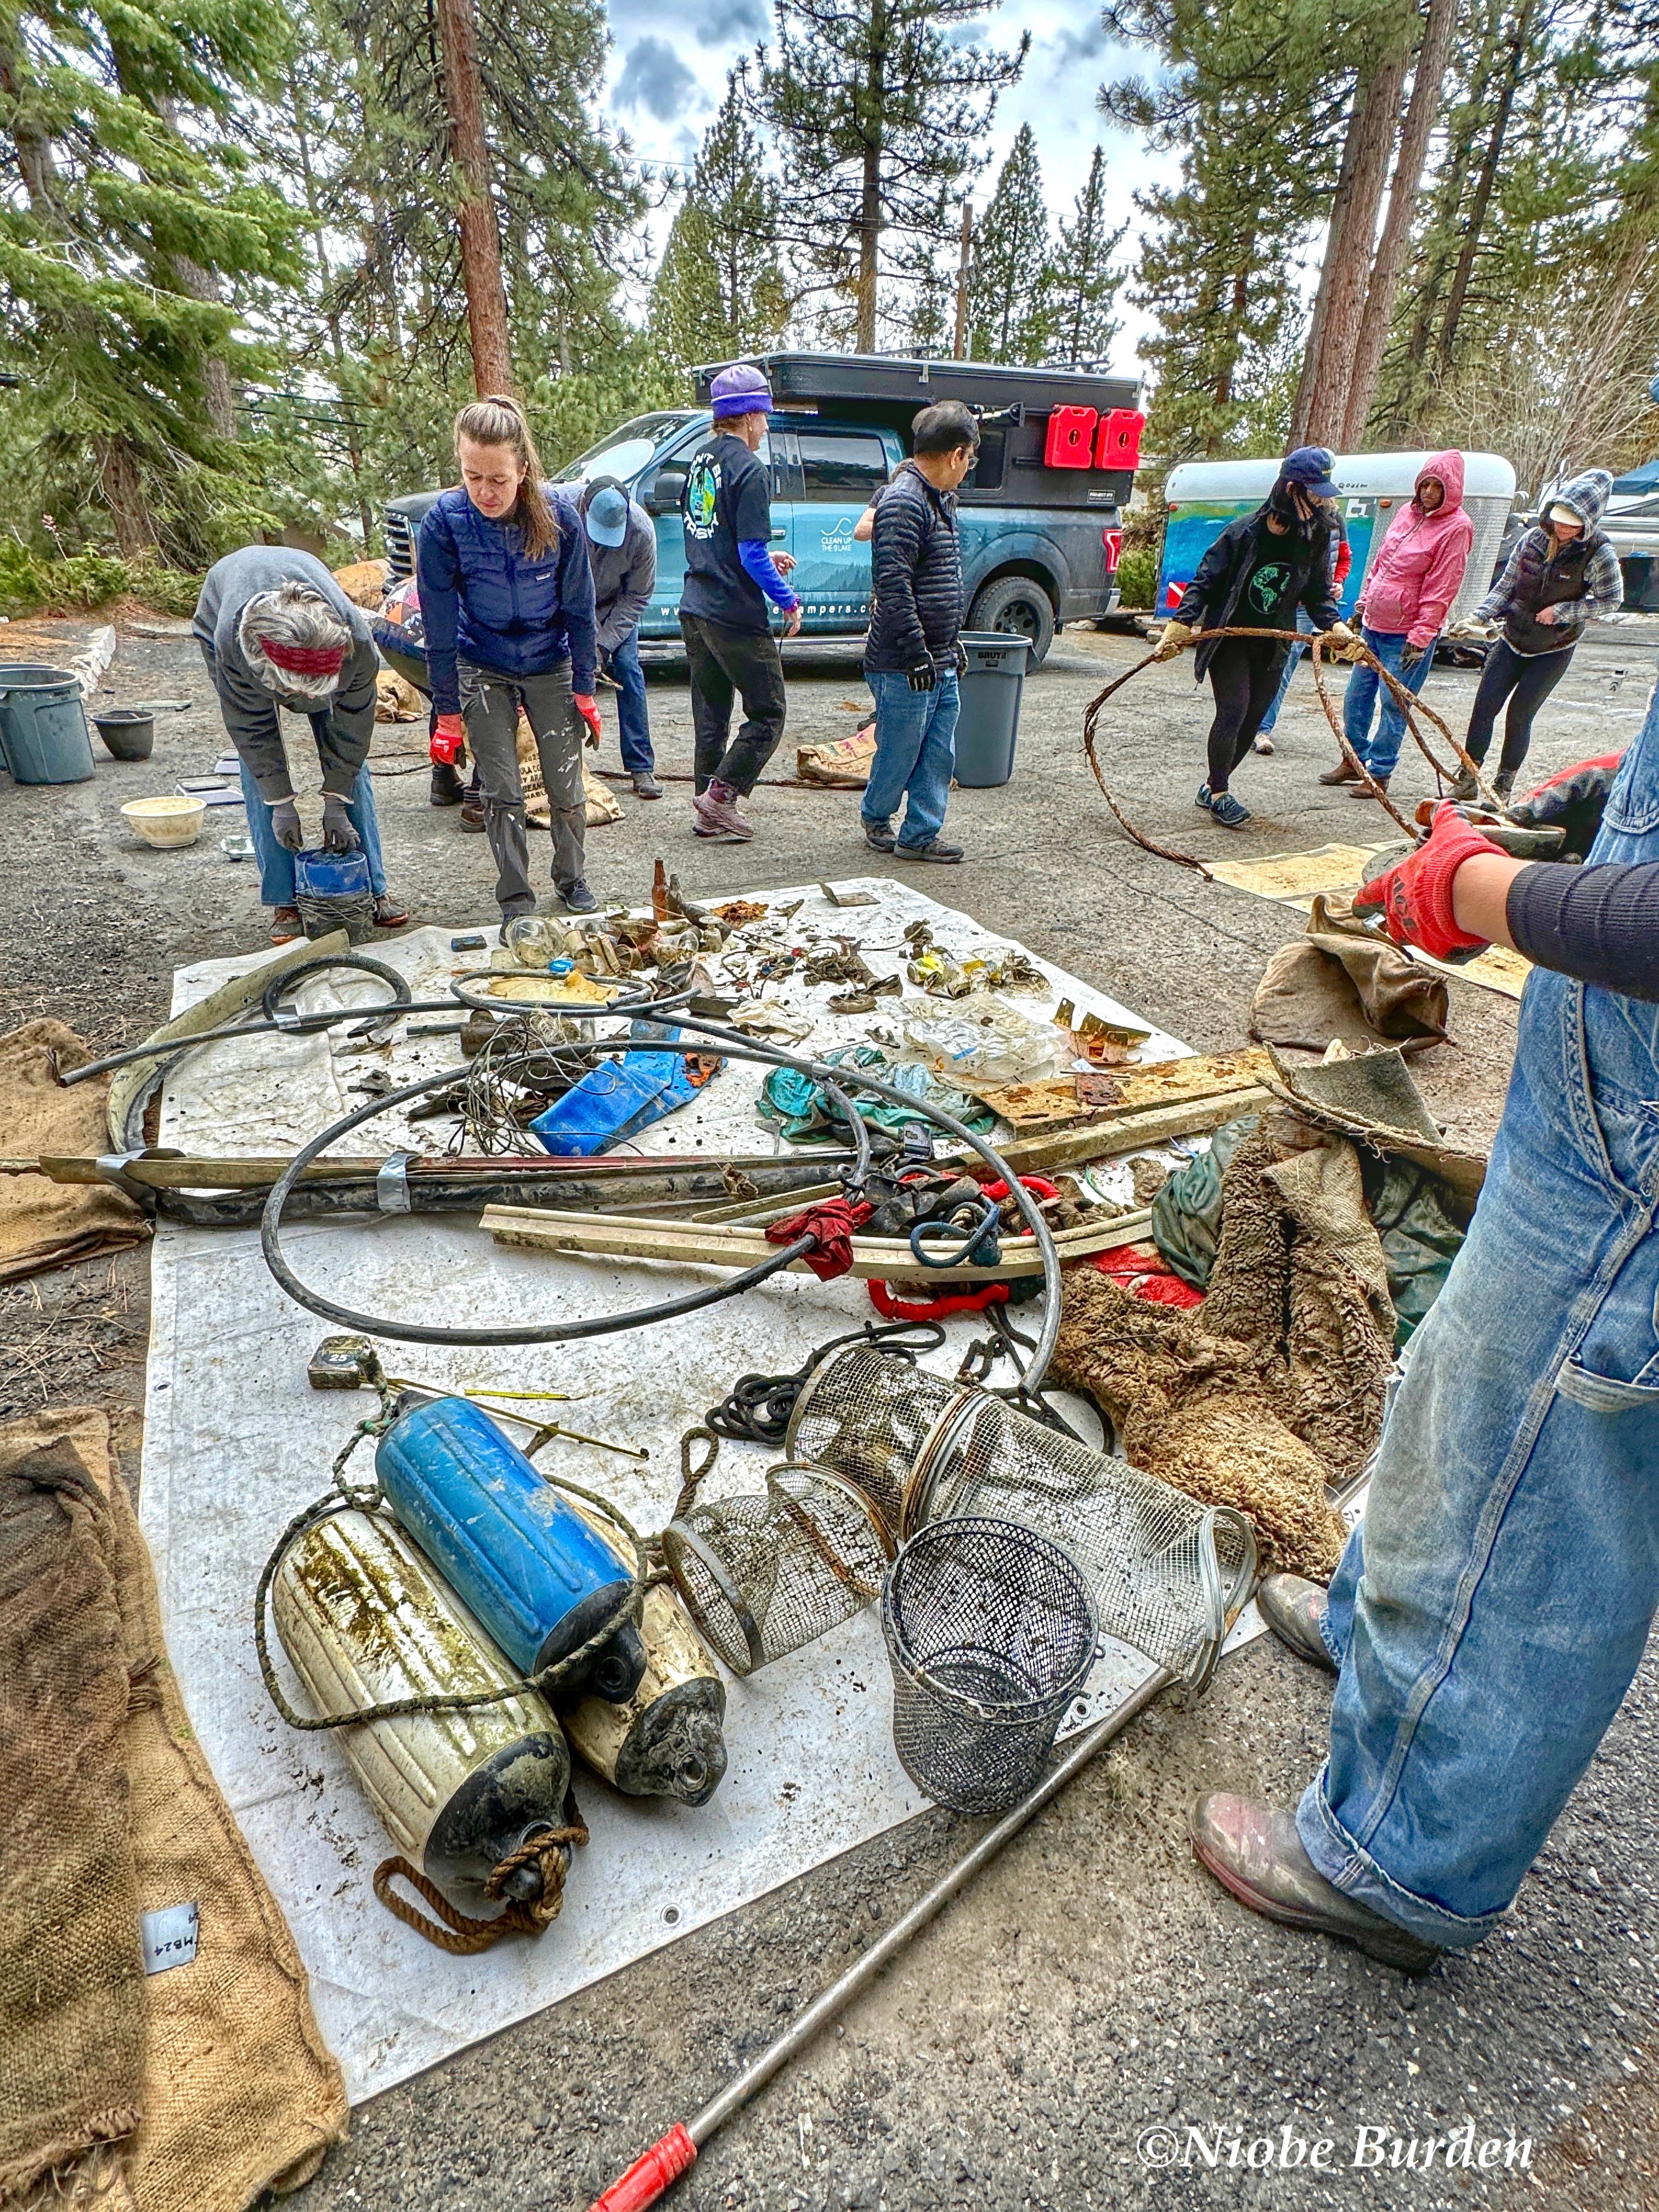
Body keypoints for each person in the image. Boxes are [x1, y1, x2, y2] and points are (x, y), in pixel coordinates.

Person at [1188, 724, 1659, 1973]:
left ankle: (1401, 1858)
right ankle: (1385, 1618)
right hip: (1604, 1116)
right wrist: (1608, 806)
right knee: (1463, 1387)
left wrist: (1475, 890)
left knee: (1544, 1483)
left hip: (1645, 1167)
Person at [417, 393, 602, 919]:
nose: (484, 491)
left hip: (550, 658)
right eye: (472, 476)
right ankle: (516, 898)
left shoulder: (560, 517)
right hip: (483, 658)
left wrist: (585, 687)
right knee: (500, 789)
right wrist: (448, 711)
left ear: (523, 469)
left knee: (565, 781)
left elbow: (581, 610)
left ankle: (571, 879)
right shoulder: (445, 524)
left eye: (498, 479)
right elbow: (439, 624)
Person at [193, 548, 409, 946]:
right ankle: (284, 899)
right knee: (259, 766)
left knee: (348, 759)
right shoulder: (233, 647)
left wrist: (335, 800)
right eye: (295, 692)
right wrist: (281, 803)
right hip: (228, 617)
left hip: (313, 642)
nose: (302, 701)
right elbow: (253, 731)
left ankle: (371, 888)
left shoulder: (356, 644)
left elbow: (353, 732)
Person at [1153, 447, 1355, 829]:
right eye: (1316, 493)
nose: (1323, 501)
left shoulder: (1316, 536)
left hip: (1272, 642)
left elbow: (1317, 594)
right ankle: (1219, 794)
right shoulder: (1243, 532)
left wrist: (1336, 627)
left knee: (1255, 718)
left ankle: (1211, 783)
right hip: (1230, 639)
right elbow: (1205, 581)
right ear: (1291, 489)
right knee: (1234, 709)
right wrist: (1181, 625)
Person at [679, 363, 800, 842]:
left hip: (695, 605)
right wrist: (788, 600)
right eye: (764, 417)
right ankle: (720, 798)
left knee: (710, 714)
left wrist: (765, 557)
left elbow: (717, 537)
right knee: (769, 711)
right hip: (733, 612)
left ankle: (703, 810)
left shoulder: (700, 461)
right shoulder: (750, 470)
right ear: (748, 416)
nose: (767, 427)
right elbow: (749, 554)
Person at [1450, 469, 1621, 803]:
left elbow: (1611, 599)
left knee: (1520, 714)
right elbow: (1507, 586)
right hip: (1513, 638)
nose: (1564, 528)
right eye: (1560, 519)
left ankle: (1503, 785)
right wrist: (1478, 615)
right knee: (1484, 707)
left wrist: (1564, 612)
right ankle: (1468, 775)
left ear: (1588, 523)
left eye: (1574, 523)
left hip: (1554, 647)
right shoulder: (1531, 540)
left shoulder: (1600, 552)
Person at [859, 400, 979, 865]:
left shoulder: (940, 500)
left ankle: (920, 834)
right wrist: (914, 652)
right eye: (968, 459)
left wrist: (951, 645)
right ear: (955, 454)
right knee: (901, 748)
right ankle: (876, 815)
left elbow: (940, 582)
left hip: (940, 656)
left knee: (938, 751)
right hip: (902, 660)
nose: (967, 470)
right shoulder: (904, 501)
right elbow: (893, 584)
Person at [1323, 452, 1475, 800]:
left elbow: (1443, 585)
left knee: (1395, 705)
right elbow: (1381, 562)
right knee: (1356, 697)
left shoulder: (1457, 527)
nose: (1429, 493)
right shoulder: (1407, 513)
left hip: (1407, 634)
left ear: (1451, 490)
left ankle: (1380, 772)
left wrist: (1421, 636)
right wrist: (1363, 605)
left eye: (1438, 487)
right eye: (1426, 484)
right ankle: (1354, 758)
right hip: (1375, 625)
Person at [578, 476, 661, 801]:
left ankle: (641, 766)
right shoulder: (562, 514)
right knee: (559, 675)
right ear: (584, 507)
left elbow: (638, 597)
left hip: (616, 606)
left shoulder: (641, 532)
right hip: (571, 605)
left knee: (628, 669)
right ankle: (563, 766)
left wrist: (603, 644)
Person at [1250, 496, 1351, 755]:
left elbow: (1343, 559)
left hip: (1309, 607)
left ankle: (1262, 729)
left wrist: (1337, 582)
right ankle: (1244, 717)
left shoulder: (1335, 521)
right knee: (1255, 660)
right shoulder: (1285, 516)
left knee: (1283, 667)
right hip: (1279, 603)